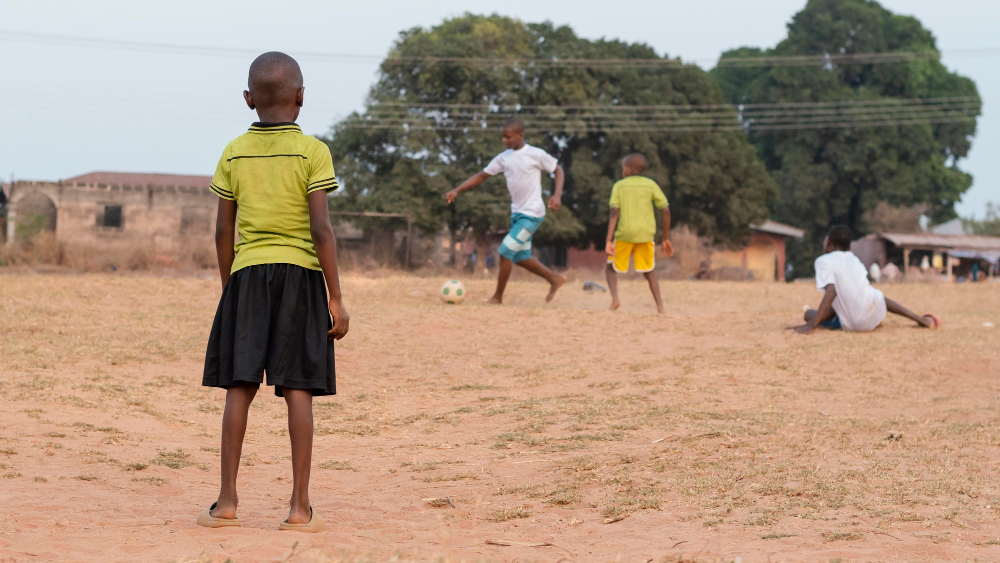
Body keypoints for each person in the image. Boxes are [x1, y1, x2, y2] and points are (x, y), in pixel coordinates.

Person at [198, 52, 349, 533]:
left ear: (248, 100)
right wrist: (336, 296)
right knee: (298, 388)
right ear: (301, 97)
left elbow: (224, 229)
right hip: (302, 276)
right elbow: (321, 229)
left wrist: (230, 288)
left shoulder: (233, 151)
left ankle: (226, 503)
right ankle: (299, 509)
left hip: (247, 276)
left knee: (239, 386)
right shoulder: (313, 152)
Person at [446, 118, 567, 304]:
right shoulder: (504, 158)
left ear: (520, 135)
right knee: (519, 257)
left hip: (532, 213)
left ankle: (497, 298)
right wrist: (457, 190)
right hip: (518, 214)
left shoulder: (535, 154)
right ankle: (554, 279)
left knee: (505, 251)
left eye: (508, 137)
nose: (505, 141)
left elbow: (558, 169)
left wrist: (557, 195)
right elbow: (482, 175)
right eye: (503, 137)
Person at [793, 225, 939, 334]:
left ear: (829, 242)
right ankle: (921, 320)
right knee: (877, 295)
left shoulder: (823, 261)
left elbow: (831, 292)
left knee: (808, 314)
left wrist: (811, 325)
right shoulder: (854, 259)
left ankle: (821, 323)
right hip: (873, 313)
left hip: (856, 323)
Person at [604, 153, 673, 313]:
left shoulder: (619, 186)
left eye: (624, 168)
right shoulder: (651, 184)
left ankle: (615, 299)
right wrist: (665, 238)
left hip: (624, 234)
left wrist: (608, 239)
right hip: (645, 234)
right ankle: (660, 306)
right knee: (649, 271)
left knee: (609, 268)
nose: (623, 171)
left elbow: (614, 212)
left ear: (631, 169)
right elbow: (666, 210)